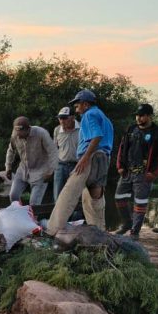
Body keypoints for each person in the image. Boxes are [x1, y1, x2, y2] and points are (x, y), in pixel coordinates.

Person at [46, 89, 113, 234]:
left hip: (91, 156)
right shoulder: (103, 116)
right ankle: (99, 231)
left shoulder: (89, 115)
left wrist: (84, 158)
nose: (76, 110)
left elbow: (96, 137)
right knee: (94, 195)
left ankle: (52, 230)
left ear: (85, 104)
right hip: (103, 157)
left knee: (68, 193)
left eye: (77, 106)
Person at [114, 103, 158, 238]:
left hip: (144, 174)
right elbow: (122, 147)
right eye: (137, 115)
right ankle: (127, 223)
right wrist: (119, 166)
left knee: (140, 203)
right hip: (127, 172)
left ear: (149, 116)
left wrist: (153, 173)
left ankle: (134, 232)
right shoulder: (131, 129)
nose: (138, 118)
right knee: (119, 198)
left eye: (142, 115)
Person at [5, 116, 57, 206]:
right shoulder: (15, 135)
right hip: (23, 169)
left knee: (34, 204)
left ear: (28, 129)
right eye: (17, 132)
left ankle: (33, 219)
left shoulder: (41, 133)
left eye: (21, 132)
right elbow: (11, 151)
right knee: (13, 195)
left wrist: (51, 171)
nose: (18, 135)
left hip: (41, 171)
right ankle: (19, 216)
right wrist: (8, 167)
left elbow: (53, 152)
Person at [52, 106, 79, 202]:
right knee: (58, 195)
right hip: (60, 166)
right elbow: (54, 148)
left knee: (75, 195)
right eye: (60, 118)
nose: (62, 121)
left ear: (73, 117)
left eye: (65, 118)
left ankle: (76, 217)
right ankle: (58, 217)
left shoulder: (82, 129)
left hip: (76, 166)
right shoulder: (57, 130)